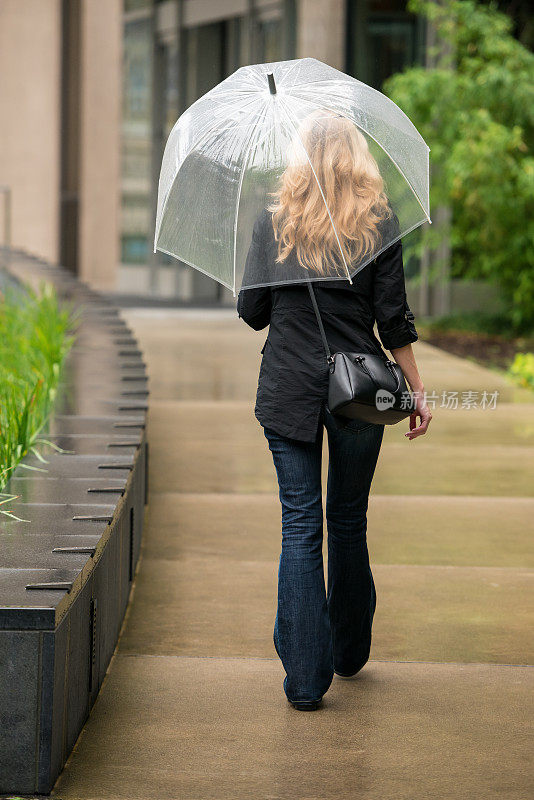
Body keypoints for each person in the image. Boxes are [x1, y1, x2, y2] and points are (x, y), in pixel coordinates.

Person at [237, 110, 432, 711]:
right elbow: (392, 318)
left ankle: (303, 680)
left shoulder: (276, 221)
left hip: (289, 385)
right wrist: (417, 390)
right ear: (358, 156)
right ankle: (347, 652)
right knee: (347, 518)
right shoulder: (379, 220)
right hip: (359, 390)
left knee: (300, 525)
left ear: (300, 156)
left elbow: (253, 312)